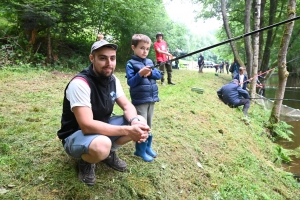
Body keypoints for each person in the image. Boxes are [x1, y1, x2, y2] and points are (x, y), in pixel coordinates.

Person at [57, 39, 150, 186]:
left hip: (101, 127)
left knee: (140, 121)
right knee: (102, 144)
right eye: (102, 58)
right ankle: (86, 162)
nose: (109, 63)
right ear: (92, 58)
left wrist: (134, 122)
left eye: (112, 58)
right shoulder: (80, 83)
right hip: (76, 134)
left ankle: (109, 154)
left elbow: (127, 106)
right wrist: (127, 129)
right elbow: (86, 126)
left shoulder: (113, 80)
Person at [125, 34, 161, 162]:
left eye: (147, 48)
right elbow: (131, 82)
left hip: (151, 98)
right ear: (133, 47)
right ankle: (139, 150)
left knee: (149, 125)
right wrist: (140, 74)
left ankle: (147, 147)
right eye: (141, 48)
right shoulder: (131, 63)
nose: (145, 51)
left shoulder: (150, 62)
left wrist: (150, 73)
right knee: (142, 125)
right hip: (140, 100)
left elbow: (159, 75)